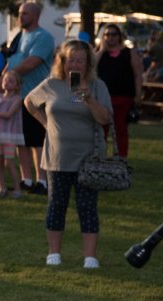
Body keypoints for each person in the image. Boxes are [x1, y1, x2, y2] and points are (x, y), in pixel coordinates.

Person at [25, 40, 112, 268]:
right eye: (70, 59)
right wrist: (46, 124)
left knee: (87, 207)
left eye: (80, 60)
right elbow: (29, 102)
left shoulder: (97, 86)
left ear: (88, 63)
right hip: (57, 157)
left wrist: (88, 99)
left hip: (89, 158)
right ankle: (54, 253)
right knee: (56, 205)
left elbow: (105, 119)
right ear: (62, 61)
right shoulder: (52, 84)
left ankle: (90, 257)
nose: (75, 64)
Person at [6, 0, 56, 195]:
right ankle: (26, 180)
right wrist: (4, 81)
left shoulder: (43, 37)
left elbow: (31, 63)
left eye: (25, 13)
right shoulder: (18, 37)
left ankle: (42, 181)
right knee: (21, 140)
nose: (20, 17)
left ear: (35, 16)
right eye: (20, 13)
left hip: (36, 97)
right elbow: (11, 60)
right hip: (17, 97)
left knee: (37, 141)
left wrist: (11, 75)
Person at [95, 23, 143, 157]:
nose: (110, 38)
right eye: (107, 35)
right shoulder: (99, 52)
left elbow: (137, 74)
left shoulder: (129, 52)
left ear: (120, 36)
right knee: (101, 129)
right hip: (103, 98)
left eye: (114, 34)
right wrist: (102, 50)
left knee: (120, 128)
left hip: (123, 97)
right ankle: (100, 156)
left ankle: (121, 157)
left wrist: (138, 94)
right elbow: (91, 68)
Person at [0, 70, 25, 198]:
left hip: (9, 134)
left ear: (17, 85)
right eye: (5, 80)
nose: (7, 83)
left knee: (9, 162)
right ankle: (2, 187)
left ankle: (17, 189)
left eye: (11, 81)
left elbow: (8, 114)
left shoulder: (17, 99)